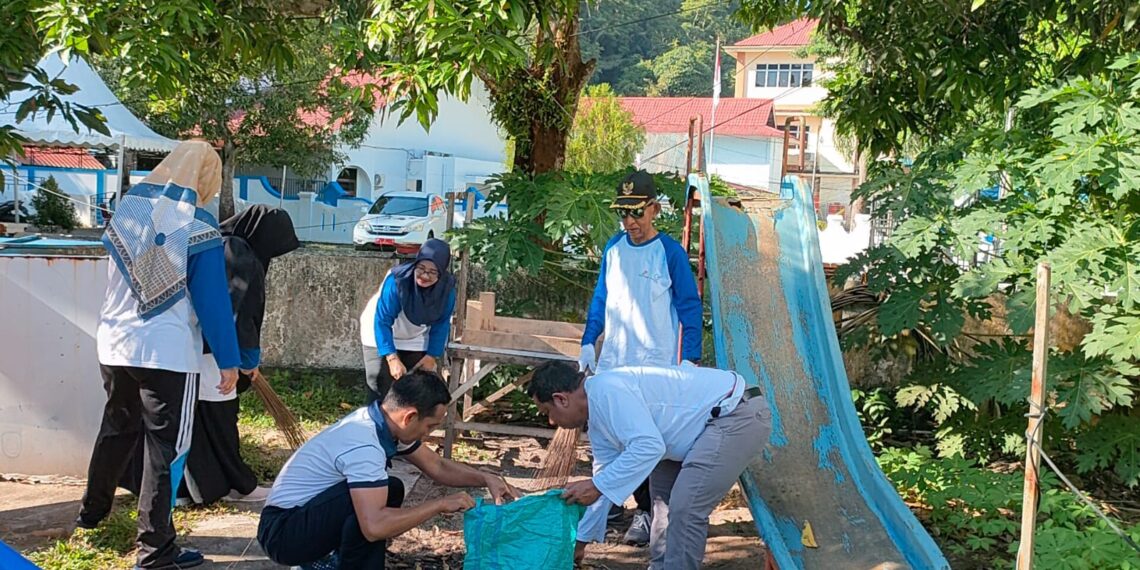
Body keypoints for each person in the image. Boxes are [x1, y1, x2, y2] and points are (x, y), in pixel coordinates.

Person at [77, 140, 242, 570]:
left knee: (117, 427)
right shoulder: (199, 224)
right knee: (165, 448)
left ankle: (90, 515)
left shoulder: (127, 212)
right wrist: (229, 358)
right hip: (166, 351)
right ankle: (155, 549)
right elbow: (212, 301)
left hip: (114, 343)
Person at [258, 370, 520, 568]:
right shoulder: (364, 446)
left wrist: (486, 478)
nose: (428, 435)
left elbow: (437, 466)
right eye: (429, 426)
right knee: (378, 503)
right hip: (283, 534)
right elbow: (374, 526)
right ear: (409, 417)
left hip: (296, 520)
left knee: (389, 489)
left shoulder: (380, 423)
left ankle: (342, 562)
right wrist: (439, 505)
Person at [528, 361, 771, 569]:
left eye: (547, 411)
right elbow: (605, 479)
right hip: (690, 432)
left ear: (561, 399)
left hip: (735, 414)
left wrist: (597, 485)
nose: (551, 421)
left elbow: (648, 447)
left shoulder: (607, 390)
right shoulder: (597, 415)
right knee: (662, 506)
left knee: (685, 508)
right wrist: (579, 544)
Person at [578, 170, 704, 546]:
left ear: (653, 209)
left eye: (637, 213)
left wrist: (690, 359)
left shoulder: (669, 252)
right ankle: (608, 505)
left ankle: (648, 512)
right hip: (615, 361)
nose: (630, 222)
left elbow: (689, 306)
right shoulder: (613, 249)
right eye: (624, 215)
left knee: (650, 441)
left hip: (655, 365)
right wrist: (588, 340)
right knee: (610, 438)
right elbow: (601, 298)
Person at [184, 205, 301, 503]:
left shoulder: (215, 242)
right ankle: (239, 485)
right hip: (217, 354)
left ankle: (192, 489)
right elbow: (240, 314)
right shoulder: (239, 253)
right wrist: (246, 361)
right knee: (222, 420)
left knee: (196, 421)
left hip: (194, 345)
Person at [359, 238, 456, 404]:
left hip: (416, 336)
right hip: (379, 331)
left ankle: (406, 429)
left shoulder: (447, 290)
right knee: (379, 385)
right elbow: (382, 321)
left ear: (442, 272)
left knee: (414, 390)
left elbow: (441, 323)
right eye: (421, 268)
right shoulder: (397, 282)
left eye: (433, 272)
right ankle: (376, 427)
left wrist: (432, 356)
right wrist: (392, 358)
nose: (425, 276)